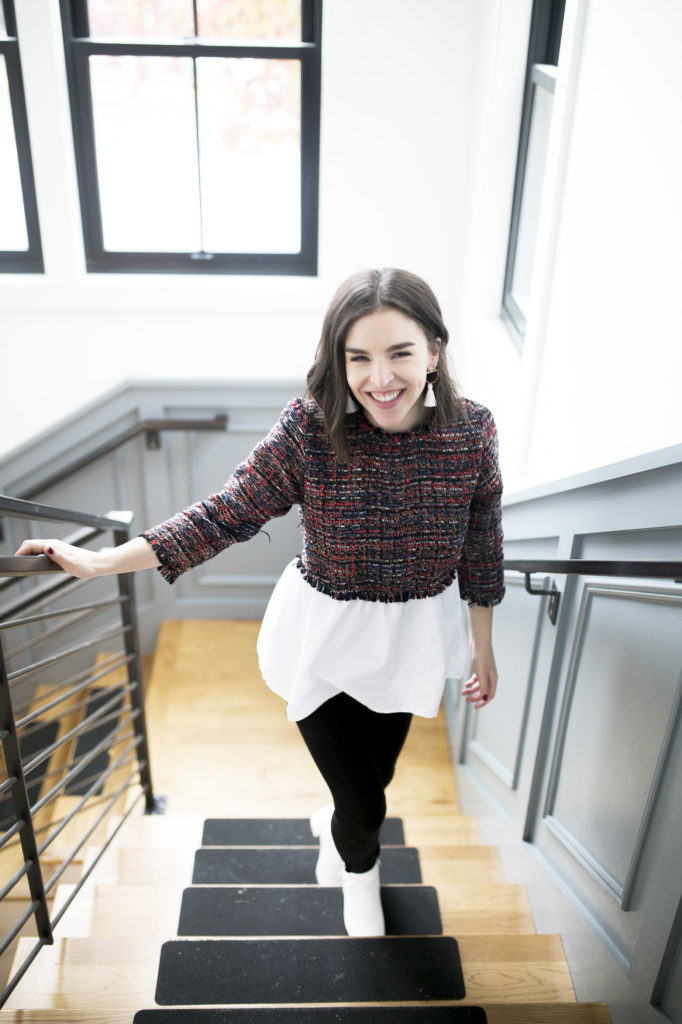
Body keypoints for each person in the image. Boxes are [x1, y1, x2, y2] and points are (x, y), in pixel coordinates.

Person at [16, 268, 504, 938]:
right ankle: (357, 875)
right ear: (336, 359)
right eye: (357, 357)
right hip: (323, 638)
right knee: (363, 799)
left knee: (373, 776)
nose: (379, 378)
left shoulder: (471, 431)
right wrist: (104, 561)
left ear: (435, 352)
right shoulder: (311, 427)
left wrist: (483, 642)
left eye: (399, 353)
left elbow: (481, 537)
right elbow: (226, 513)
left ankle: (338, 828)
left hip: (414, 635)